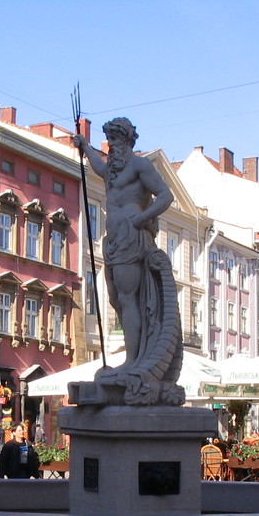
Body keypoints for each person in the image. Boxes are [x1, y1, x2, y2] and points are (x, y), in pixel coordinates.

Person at [73, 118, 178, 387]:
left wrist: (142, 218)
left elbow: (166, 196)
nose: (111, 145)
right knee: (116, 299)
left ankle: (134, 361)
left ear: (127, 141)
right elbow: (98, 168)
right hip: (113, 240)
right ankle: (133, 356)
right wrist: (84, 145)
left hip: (132, 237)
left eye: (116, 140)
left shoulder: (140, 165)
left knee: (129, 298)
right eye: (109, 140)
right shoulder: (113, 170)